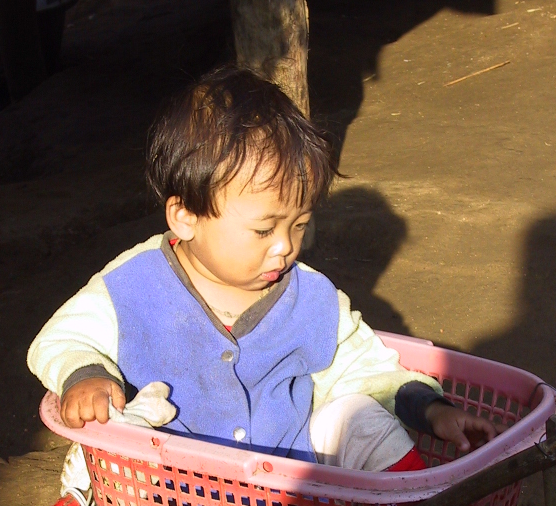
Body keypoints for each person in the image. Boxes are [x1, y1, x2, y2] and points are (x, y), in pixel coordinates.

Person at [28, 67, 498, 473]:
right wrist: (86, 374)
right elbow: (61, 339)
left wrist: (431, 410)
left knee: (358, 417)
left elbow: (367, 369)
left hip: (299, 489)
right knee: (117, 434)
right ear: (185, 217)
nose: (285, 248)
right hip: (181, 500)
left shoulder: (311, 297)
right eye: (263, 230)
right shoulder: (131, 286)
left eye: (299, 226)